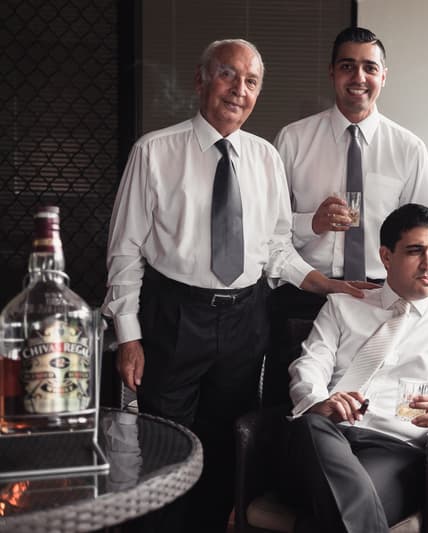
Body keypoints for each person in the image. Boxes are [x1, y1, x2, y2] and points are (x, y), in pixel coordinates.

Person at [103, 38, 371, 533]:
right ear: (201, 80)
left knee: (229, 445)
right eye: (229, 75)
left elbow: (275, 247)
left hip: (247, 318)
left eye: (251, 82)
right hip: (174, 317)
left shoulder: (266, 157)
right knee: (166, 444)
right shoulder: (155, 151)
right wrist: (128, 336)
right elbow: (124, 251)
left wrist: (322, 284)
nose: (239, 90)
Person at [284, 203, 428, 532]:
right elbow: (308, 366)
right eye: (416, 251)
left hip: (395, 452)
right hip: (326, 437)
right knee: (310, 424)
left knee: (321, 519)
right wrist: (319, 403)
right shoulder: (343, 305)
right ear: (386, 256)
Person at [273, 26, 428, 322]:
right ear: (332, 72)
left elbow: (420, 239)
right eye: (348, 66)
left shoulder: (409, 149)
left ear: (383, 75)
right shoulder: (292, 140)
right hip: (304, 294)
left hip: (381, 298)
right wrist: (313, 223)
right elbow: (270, 232)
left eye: (369, 68)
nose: (358, 77)